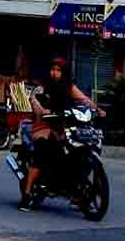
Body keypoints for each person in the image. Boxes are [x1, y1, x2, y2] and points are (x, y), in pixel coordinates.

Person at [19, 56, 104, 212]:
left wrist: (97, 110)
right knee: (42, 152)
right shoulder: (43, 86)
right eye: (53, 69)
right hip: (43, 125)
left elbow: (84, 99)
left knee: (78, 151)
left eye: (58, 70)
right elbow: (34, 99)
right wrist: (42, 110)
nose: (54, 73)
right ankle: (27, 193)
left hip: (63, 127)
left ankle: (75, 191)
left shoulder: (69, 87)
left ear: (64, 73)